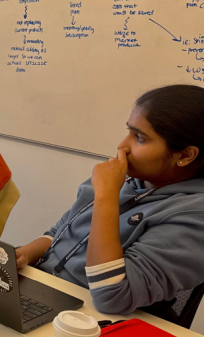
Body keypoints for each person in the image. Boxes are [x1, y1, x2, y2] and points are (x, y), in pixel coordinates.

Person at [15, 85, 204, 318]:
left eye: (140, 138)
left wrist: (106, 197)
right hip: (47, 291)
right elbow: (60, 233)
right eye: (129, 132)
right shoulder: (127, 179)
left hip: (98, 320)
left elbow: (112, 296)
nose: (122, 146)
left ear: (185, 155)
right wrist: (26, 253)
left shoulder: (193, 216)